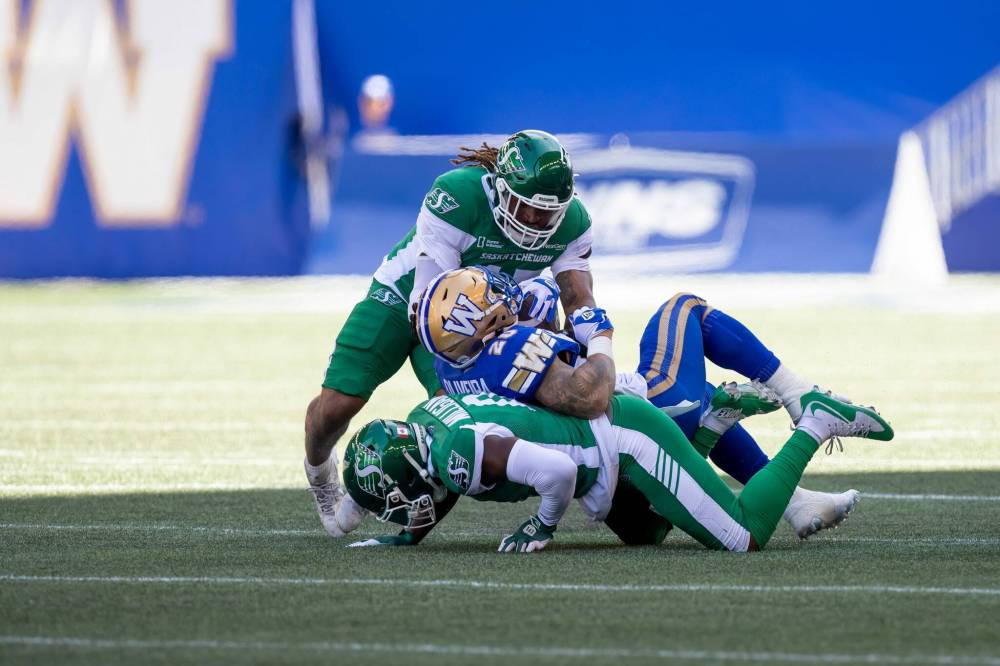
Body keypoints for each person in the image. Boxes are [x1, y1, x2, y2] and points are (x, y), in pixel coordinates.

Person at [415, 266, 866, 539]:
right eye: (487, 297)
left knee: (704, 410)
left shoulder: (455, 377)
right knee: (684, 307)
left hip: (604, 487)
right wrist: (598, 335)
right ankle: (797, 394)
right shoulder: (512, 345)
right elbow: (590, 394)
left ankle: (792, 497)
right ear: (482, 319)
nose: (500, 296)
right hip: (644, 413)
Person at [303, 130, 598, 536]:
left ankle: (372, 496)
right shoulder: (458, 196)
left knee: (456, 417)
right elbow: (427, 296)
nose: (532, 220)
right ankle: (319, 472)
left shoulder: (574, 223)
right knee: (338, 403)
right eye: (524, 206)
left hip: (482, 323)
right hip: (406, 298)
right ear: (499, 187)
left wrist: (588, 357)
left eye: (544, 212)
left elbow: (578, 300)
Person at [340, 390, 892, 552]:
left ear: (411, 469)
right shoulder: (424, 421)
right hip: (600, 459)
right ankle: (712, 425)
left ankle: (815, 423)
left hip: (622, 441)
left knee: (742, 534)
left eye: (392, 497)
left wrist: (543, 526)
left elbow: (554, 473)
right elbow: (454, 474)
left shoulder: (454, 453)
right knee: (650, 533)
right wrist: (411, 537)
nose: (396, 508)